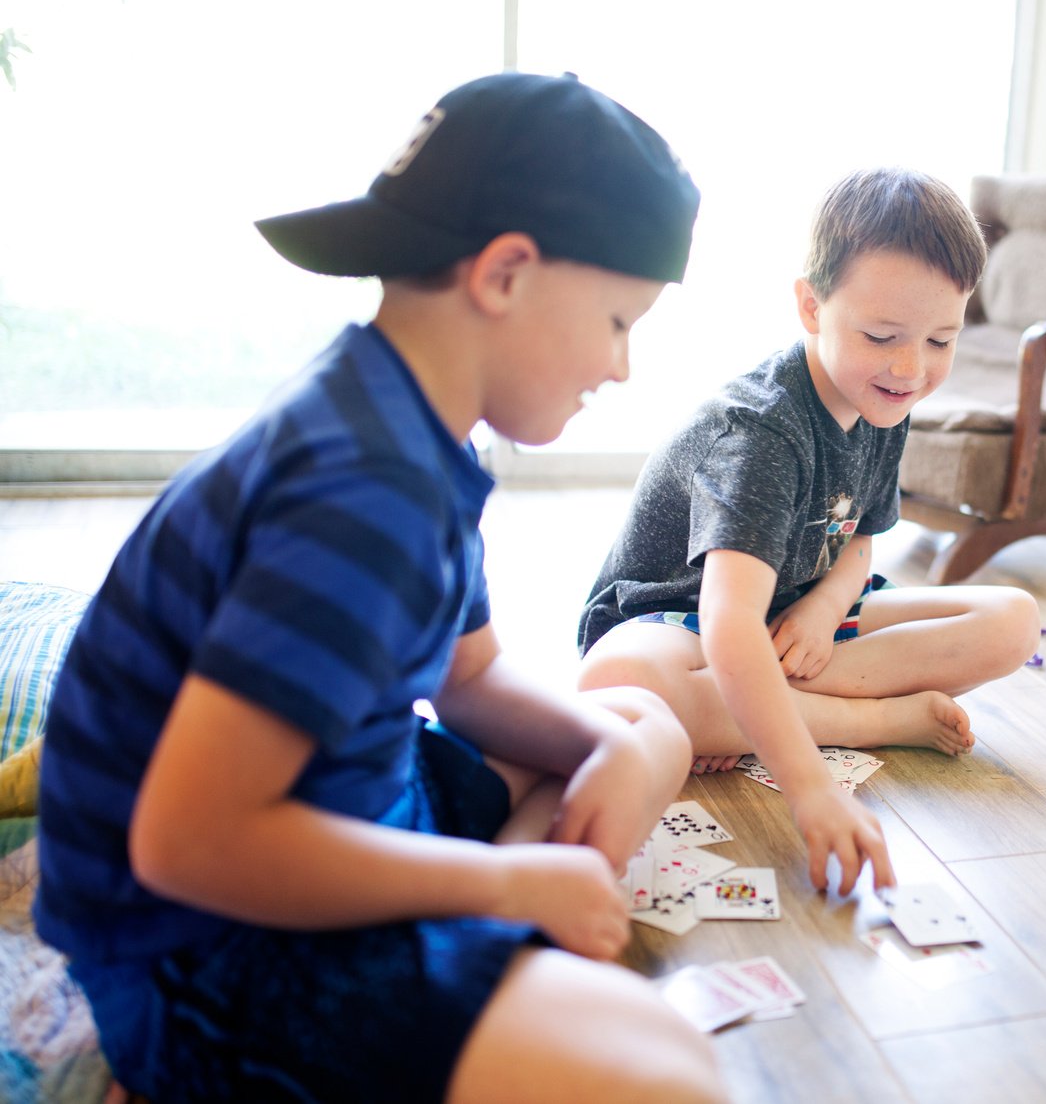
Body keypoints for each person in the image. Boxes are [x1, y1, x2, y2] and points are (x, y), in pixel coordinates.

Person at [33, 72, 728, 1103]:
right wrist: (507, 874)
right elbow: (188, 842)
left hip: (342, 804)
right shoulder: (363, 490)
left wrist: (611, 750)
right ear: (504, 273)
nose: (620, 367)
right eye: (620, 320)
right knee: (672, 1073)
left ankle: (481, 953)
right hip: (199, 953)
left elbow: (470, 679)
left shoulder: (399, 419)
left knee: (643, 724)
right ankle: (478, 949)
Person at [577, 167, 1041, 896]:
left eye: (940, 340)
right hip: (678, 620)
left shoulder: (886, 396)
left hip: (792, 611)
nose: (911, 367)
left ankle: (751, 712)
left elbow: (858, 541)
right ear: (809, 305)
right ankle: (873, 720)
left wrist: (823, 610)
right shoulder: (762, 430)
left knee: (1013, 620)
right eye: (883, 335)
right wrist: (812, 786)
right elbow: (727, 622)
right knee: (618, 681)